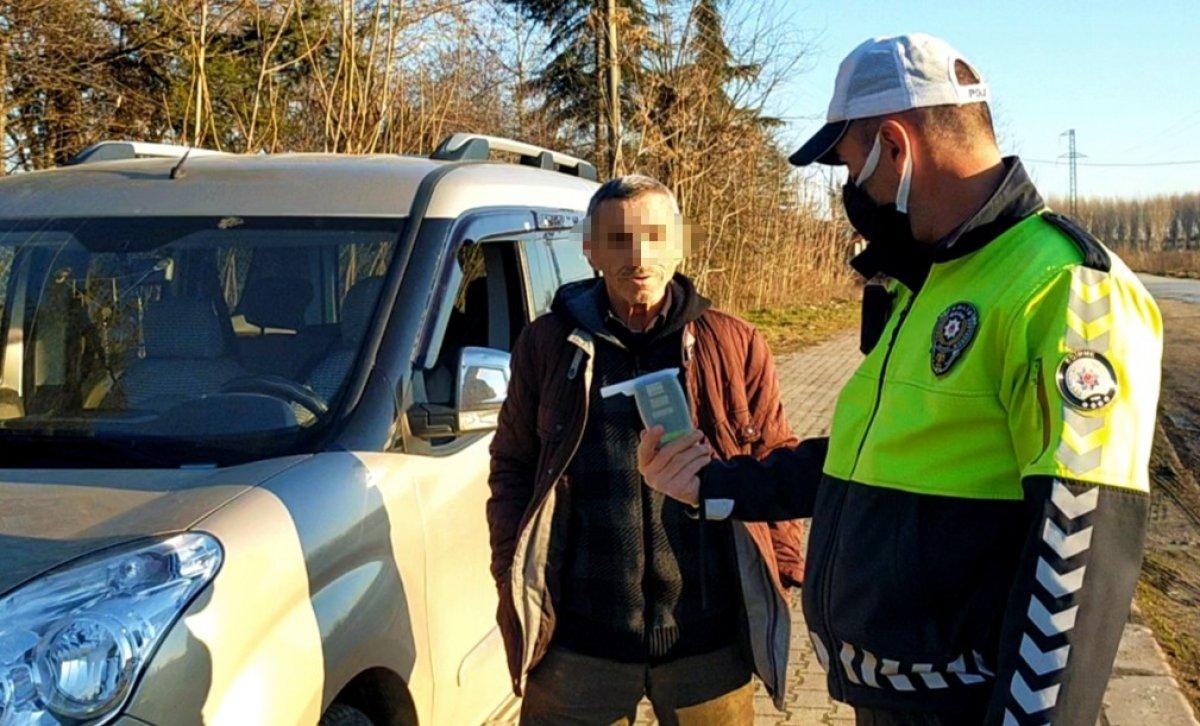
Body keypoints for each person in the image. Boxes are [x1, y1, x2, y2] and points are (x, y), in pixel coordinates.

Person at [636, 34, 1163, 726]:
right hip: (891, 701)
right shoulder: (929, 280)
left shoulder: (1066, 288)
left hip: (965, 709)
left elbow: (1078, 550)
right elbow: (864, 462)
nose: (852, 192)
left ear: (895, 146)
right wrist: (713, 485)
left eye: (850, 166)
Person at [487, 174, 805, 724]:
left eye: (655, 237)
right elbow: (512, 466)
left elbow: (774, 455)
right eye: (618, 239)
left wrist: (783, 569)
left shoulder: (734, 343)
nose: (639, 256)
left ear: (680, 245)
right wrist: (507, 569)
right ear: (590, 249)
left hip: (707, 645)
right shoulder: (547, 345)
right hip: (579, 647)